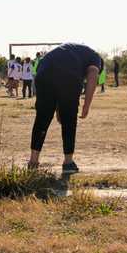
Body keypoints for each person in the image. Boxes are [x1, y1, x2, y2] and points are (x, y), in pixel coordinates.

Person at [27, 43, 101, 174]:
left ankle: (33, 161)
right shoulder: (95, 57)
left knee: (42, 119)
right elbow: (93, 75)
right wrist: (86, 105)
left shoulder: (75, 50)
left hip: (43, 72)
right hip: (68, 75)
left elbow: (54, 74)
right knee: (69, 120)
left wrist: (57, 108)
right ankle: (68, 162)